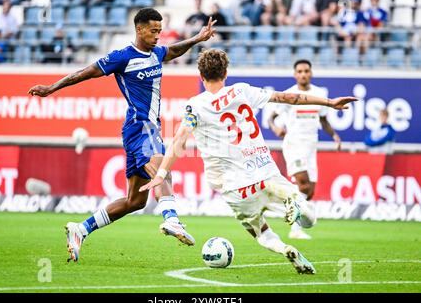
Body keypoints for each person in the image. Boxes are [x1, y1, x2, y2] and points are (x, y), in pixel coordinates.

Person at [140, 49, 356, 274]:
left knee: (260, 232)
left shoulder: (195, 105)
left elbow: (178, 141)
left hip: (235, 188)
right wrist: (329, 102)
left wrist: (161, 174)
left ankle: (285, 248)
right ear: (225, 73)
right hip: (265, 173)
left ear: (201, 75)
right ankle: (296, 204)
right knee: (309, 219)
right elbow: (288, 98)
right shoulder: (241, 91)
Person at [27, 8, 217, 262]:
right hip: (141, 127)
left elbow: (174, 50)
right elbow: (85, 72)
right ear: (139, 29)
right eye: (153, 31)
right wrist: (52, 87)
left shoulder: (157, 53)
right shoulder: (122, 57)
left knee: (135, 201)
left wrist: (197, 38)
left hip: (143, 129)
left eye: (159, 31)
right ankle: (171, 220)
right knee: (162, 169)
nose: (157, 36)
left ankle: (80, 229)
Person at [268, 59, 341, 240]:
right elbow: (271, 117)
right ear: (295, 74)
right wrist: (276, 128)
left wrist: (334, 136)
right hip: (293, 145)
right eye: (299, 71)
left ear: (311, 73)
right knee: (304, 185)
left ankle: (284, 204)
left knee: (310, 191)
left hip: (310, 147)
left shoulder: (319, 94)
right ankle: (295, 228)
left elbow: (323, 120)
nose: (303, 74)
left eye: (306, 71)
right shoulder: (289, 94)